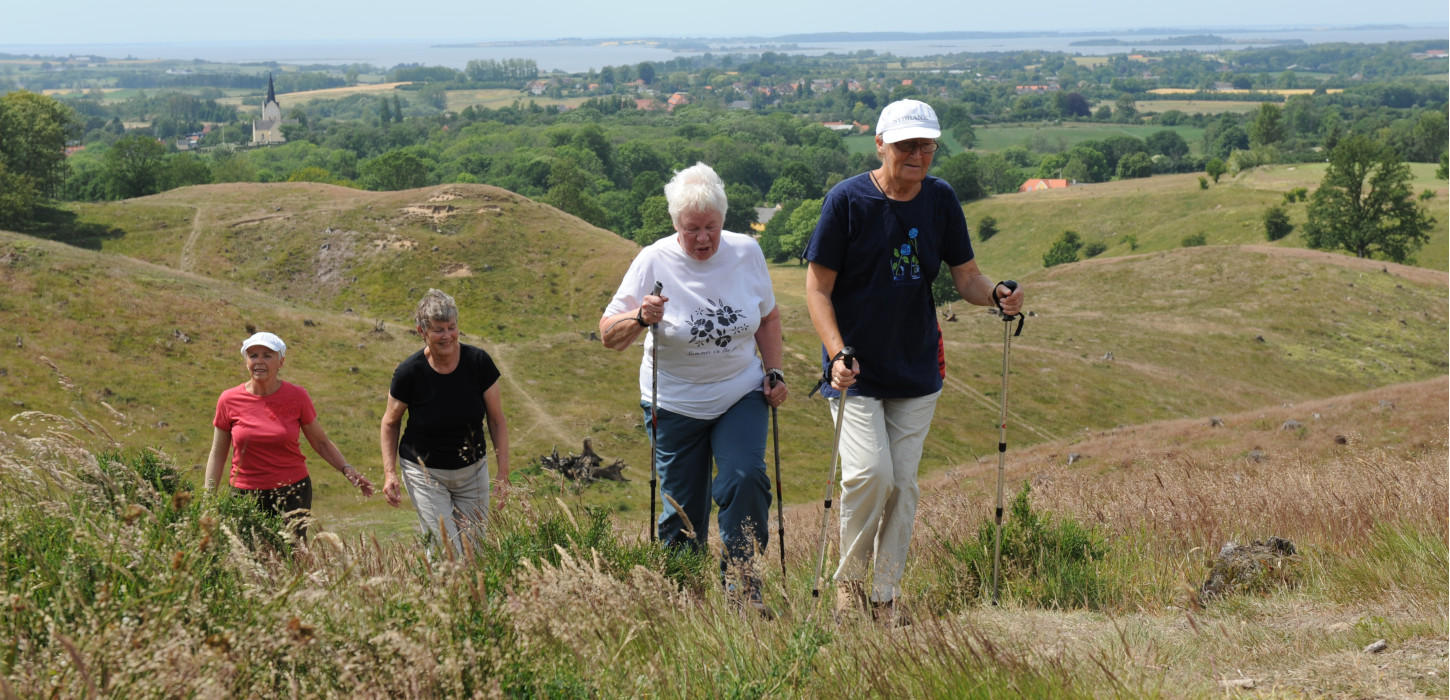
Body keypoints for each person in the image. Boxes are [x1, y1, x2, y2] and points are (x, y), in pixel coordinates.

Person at [803, 99, 1024, 626]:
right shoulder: (847, 201)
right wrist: (836, 353)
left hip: (917, 367)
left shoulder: (941, 199)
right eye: (906, 145)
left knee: (902, 485)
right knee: (868, 475)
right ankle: (847, 592)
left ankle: (885, 599)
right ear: (879, 144)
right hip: (853, 370)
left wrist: (993, 293)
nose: (917, 155)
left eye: (926, 145)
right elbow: (816, 289)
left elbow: (965, 276)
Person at [600, 162, 788, 611]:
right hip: (674, 401)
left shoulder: (746, 253)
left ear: (724, 221)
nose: (703, 238)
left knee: (745, 478)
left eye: (711, 227)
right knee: (684, 511)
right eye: (691, 229)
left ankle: (743, 590)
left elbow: (768, 317)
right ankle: (684, 600)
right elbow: (609, 334)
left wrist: (774, 371)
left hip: (738, 392)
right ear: (674, 225)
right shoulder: (652, 260)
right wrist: (640, 317)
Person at [205, 331, 374, 540]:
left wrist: (347, 469)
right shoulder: (228, 399)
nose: (259, 361)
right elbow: (217, 453)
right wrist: (208, 499)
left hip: (292, 493)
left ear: (281, 362)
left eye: (267, 355)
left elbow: (320, 443)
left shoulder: (297, 396)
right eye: (253, 355)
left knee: (290, 559)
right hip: (244, 495)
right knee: (248, 561)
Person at [380, 289, 511, 556]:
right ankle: (442, 594)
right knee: (445, 549)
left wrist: (503, 472)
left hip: (472, 470)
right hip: (425, 472)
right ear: (422, 331)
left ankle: (468, 597)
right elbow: (390, 423)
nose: (447, 335)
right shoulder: (409, 372)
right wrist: (389, 473)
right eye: (439, 330)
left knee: (474, 549)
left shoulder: (479, 363)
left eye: (452, 327)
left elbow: (497, 421)